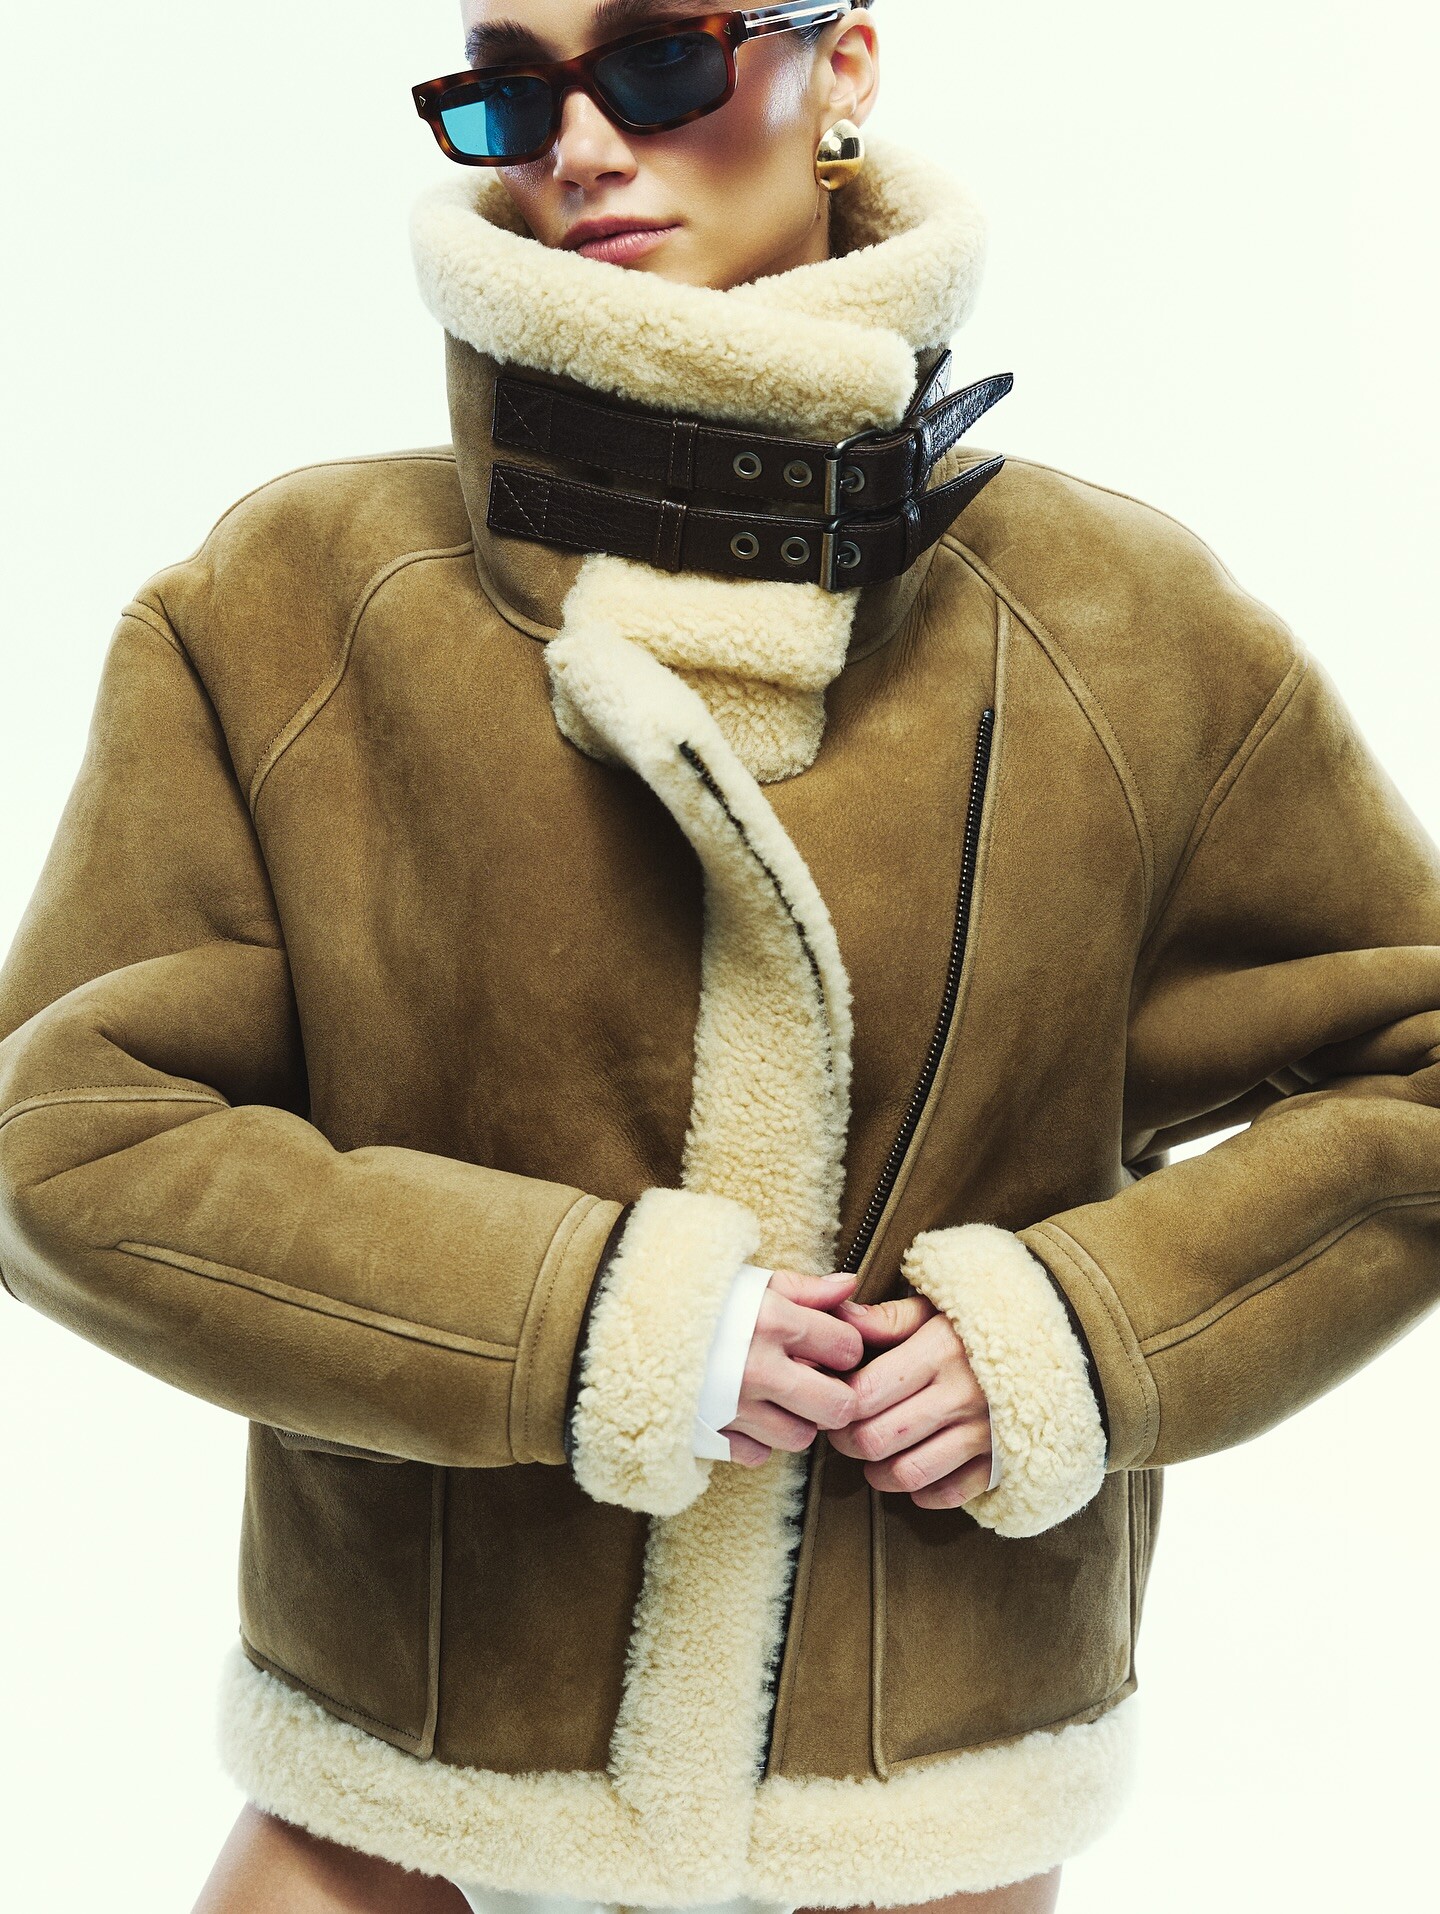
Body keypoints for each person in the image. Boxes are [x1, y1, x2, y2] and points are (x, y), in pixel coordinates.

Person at [0, 2, 1436, 1911]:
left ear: (843, 67)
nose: (583, 147)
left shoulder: (1124, 627)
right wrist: (582, 1319)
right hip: (408, 1771)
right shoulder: (283, 609)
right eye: (512, 90)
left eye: (663, 61)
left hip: (921, 1786)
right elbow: (67, 1137)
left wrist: (1078, 1337)